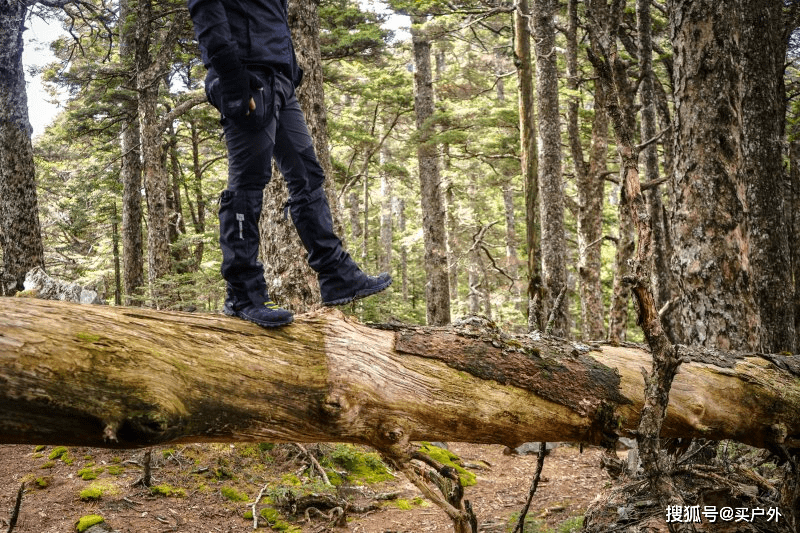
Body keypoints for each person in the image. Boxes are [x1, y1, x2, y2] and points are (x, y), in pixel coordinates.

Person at [187, 0, 391, 327]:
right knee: (248, 182)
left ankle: (336, 273)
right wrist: (232, 76)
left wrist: (291, 68)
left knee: (307, 175)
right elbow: (205, 12)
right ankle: (242, 294)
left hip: (279, 81)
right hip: (247, 79)